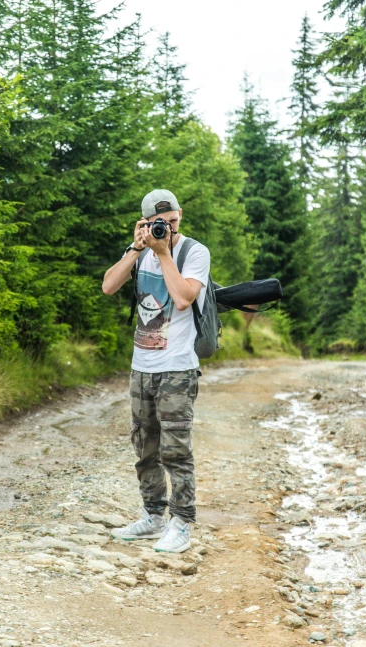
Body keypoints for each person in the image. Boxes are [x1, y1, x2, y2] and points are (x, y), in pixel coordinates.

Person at [102, 189, 210, 553]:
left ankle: (181, 522)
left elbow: (183, 297)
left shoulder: (194, 252)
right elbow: (108, 286)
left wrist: (164, 254)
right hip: (141, 366)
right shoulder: (140, 250)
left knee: (175, 449)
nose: (168, 228)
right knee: (144, 446)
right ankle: (153, 517)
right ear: (145, 222)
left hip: (177, 367)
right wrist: (136, 249)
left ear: (180, 214)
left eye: (173, 221)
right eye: (158, 223)